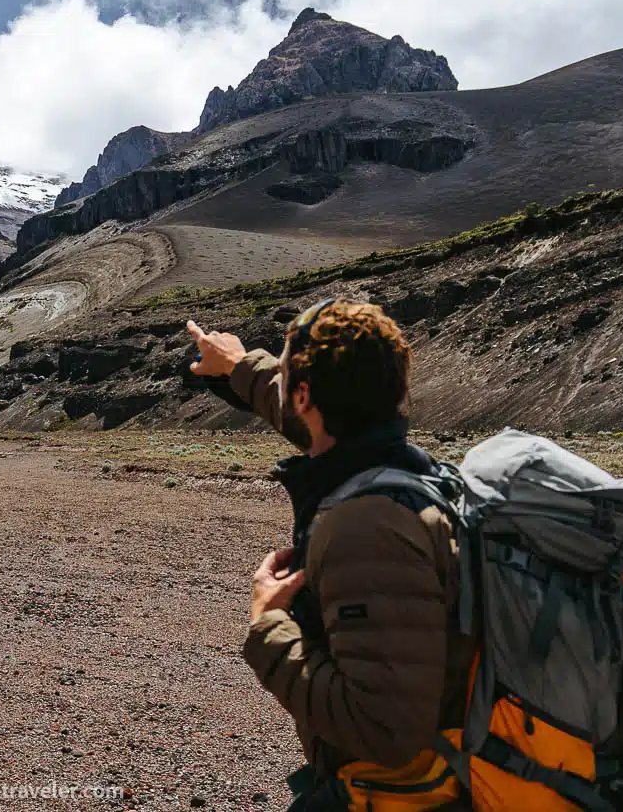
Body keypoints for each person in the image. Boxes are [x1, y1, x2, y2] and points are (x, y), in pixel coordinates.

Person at [187, 299, 476, 811]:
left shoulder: (365, 527)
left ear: (303, 395)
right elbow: (304, 413)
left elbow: (384, 732)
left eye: (287, 370)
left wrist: (268, 625)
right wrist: (234, 364)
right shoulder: (395, 462)